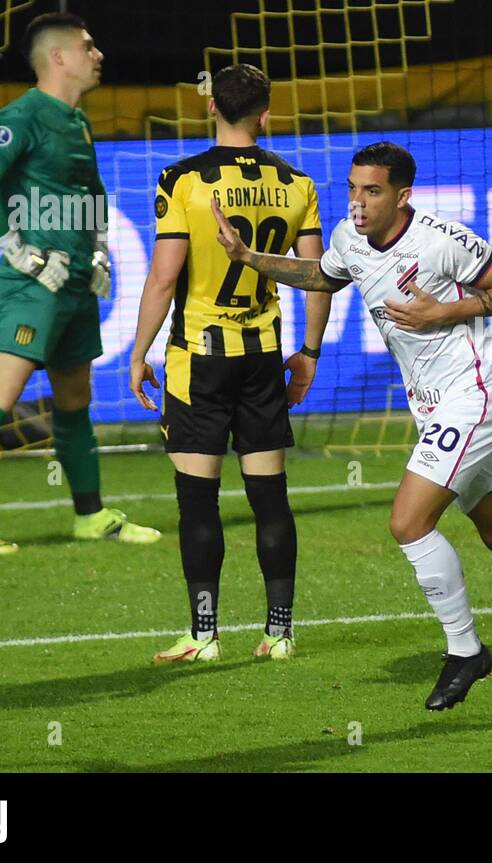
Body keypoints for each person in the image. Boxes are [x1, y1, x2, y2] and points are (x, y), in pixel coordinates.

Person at [213, 141, 492, 713]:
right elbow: (326, 277)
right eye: (353, 188)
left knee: (408, 522)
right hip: (432, 406)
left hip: (474, 398)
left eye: (372, 191)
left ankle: (465, 652)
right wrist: (250, 258)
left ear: (402, 196)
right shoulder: (349, 237)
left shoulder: (441, 240)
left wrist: (442, 311)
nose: (358, 202)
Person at [129, 64, 331, 663]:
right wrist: (310, 353)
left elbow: (165, 277)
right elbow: (318, 278)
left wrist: (139, 354)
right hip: (264, 358)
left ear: (210, 107)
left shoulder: (182, 180)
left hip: (199, 361)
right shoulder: (297, 183)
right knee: (270, 498)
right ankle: (279, 632)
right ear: (266, 114)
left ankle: (204, 634)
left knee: (198, 500)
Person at [0, 12, 159, 555]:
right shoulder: (23, 115)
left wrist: (102, 250)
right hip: (33, 286)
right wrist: (19, 250)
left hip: (77, 283)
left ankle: (89, 515)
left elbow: (93, 189)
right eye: (88, 46)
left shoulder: (77, 120)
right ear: (58, 57)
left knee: (74, 400)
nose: (98, 54)